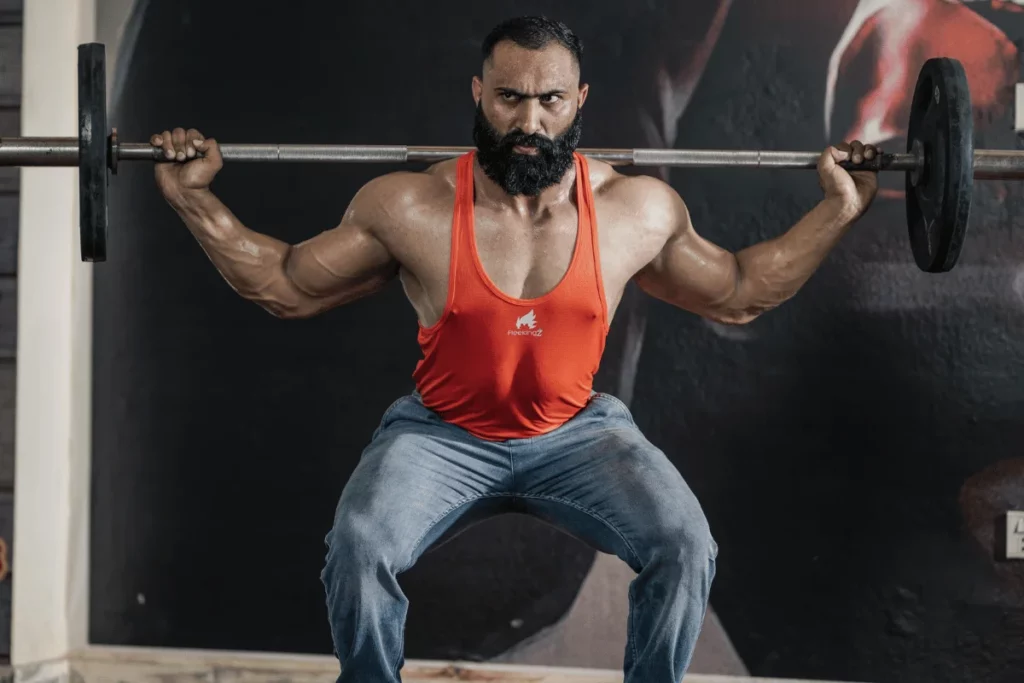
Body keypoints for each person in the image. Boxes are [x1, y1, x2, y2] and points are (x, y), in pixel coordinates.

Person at [150, 15, 879, 683]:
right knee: (360, 543)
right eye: (509, 98)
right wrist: (194, 199)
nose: (529, 121)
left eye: (551, 101)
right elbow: (284, 283)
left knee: (684, 540)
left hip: (577, 434)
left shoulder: (635, 209)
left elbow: (741, 288)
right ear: (478, 93)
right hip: (443, 433)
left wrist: (837, 209)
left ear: (580, 100)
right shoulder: (411, 208)